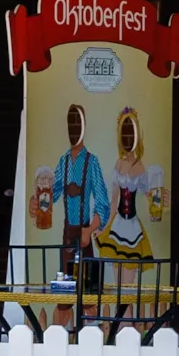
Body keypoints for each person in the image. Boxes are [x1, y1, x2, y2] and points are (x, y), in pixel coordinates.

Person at [47, 100, 109, 266]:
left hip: (84, 234)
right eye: (70, 124)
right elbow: (51, 195)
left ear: (83, 126)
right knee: (65, 286)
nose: (73, 129)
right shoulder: (63, 162)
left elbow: (103, 205)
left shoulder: (91, 162)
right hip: (67, 236)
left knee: (86, 286)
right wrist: (36, 201)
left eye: (76, 123)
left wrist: (89, 230)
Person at [105, 106, 160, 260]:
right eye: (125, 133)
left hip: (133, 226)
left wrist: (158, 202)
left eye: (131, 133)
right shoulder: (118, 164)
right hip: (117, 224)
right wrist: (105, 226)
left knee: (129, 274)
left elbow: (148, 193)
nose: (127, 138)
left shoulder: (140, 166)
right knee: (117, 272)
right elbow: (114, 201)